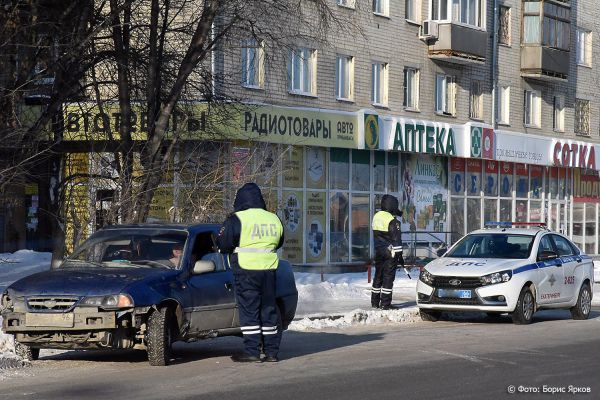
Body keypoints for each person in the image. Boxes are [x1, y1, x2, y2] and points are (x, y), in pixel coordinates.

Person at [217, 183, 284, 363]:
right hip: (269, 271)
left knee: (249, 310)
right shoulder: (274, 218)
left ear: (240, 200)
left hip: (246, 271)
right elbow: (279, 243)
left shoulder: (237, 219)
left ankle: (252, 351)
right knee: (268, 310)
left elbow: (223, 244)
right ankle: (271, 352)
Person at [371, 194, 404, 310]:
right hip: (390, 253)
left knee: (378, 276)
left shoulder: (376, 216)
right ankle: (385, 304)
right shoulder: (392, 220)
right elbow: (396, 240)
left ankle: (375, 302)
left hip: (378, 251)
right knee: (388, 278)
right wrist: (400, 256)